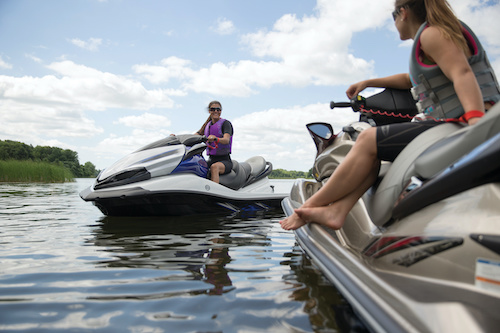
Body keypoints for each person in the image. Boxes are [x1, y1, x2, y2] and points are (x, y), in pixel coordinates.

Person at [280, 0, 500, 231]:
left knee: (367, 140)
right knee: (375, 149)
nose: (394, 23)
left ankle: (305, 211)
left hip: (460, 123)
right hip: (455, 122)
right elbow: (411, 79)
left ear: (402, 13)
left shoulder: (432, 34)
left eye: (393, 17)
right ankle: (337, 211)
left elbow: (462, 73)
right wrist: (369, 82)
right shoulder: (438, 33)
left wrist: (476, 123)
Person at [196, 101, 234, 184]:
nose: (216, 111)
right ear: (209, 111)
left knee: (214, 167)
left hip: (225, 161)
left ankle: (214, 195)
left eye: (218, 109)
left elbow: (226, 139)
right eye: (213, 109)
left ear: (221, 111)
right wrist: (177, 137)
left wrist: (216, 139)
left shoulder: (226, 124)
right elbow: (194, 136)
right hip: (211, 159)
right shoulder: (207, 126)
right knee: (196, 166)